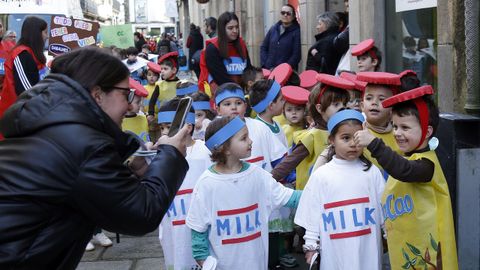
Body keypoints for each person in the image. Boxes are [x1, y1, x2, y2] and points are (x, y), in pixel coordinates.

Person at [0, 46, 191, 269]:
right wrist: (171, 154)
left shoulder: (58, 127)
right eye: (125, 93)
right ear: (98, 95)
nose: (130, 104)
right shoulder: (80, 143)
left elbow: (76, 183)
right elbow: (141, 213)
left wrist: (128, 169)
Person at [354, 85, 458, 269]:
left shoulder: (427, 164)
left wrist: (374, 143)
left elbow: (404, 170)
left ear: (427, 132)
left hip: (429, 252)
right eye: (394, 126)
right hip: (403, 247)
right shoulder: (405, 157)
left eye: (405, 127)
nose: (397, 133)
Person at [186, 116, 301, 269]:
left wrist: (319, 196)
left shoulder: (257, 175)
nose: (251, 141)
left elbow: (289, 197)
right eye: (244, 138)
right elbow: (198, 228)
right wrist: (204, 260)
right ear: (224, 148)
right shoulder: (206, 184)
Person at [295, 109, 385, 269]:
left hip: (367, 250)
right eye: (345, 138)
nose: (352, 144)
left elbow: (385, 210)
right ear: (331, 140)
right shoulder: (321, 175)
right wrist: (311, 245)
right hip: (335, 252)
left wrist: (389, 234)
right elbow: (312, 213)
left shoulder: (372, 172)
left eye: (357, 138)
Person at [271, 74, 352, 190]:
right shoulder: (312, 135)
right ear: (320, 108)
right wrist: (268, 180)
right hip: (313, 193)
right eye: (336, 104)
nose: (342, 108)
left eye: (344, 104)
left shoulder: (346, 131)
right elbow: (289, 162)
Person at [156, 98, 211, 270]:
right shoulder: (160, 154)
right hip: (174, 224)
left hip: (201, 225)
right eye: (162, 128)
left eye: (169, 126)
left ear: (188, 126)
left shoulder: (205, 152)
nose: (165, 133)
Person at [214, 82, 287, 172]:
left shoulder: (260, 127)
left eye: (238, 103)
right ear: (218, 110)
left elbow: (278, 158)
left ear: (245, 106)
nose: (233, 107)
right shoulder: (215, 134)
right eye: (227, 104)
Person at [0, 16, 49, 123]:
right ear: (36, 34)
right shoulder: (21, 54)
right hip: (16, 119)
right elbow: (28, 92)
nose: (47, 36)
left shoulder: (32, 54)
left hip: (28, 116)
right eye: (45, 32)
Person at [198, 12, 252, 94]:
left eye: (237, 27)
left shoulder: (241, 44)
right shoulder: (212, 48)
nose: (235, 31)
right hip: (221, 94)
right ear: (222, 29)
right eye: (230, 28)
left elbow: (248, 69)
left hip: (241, 92)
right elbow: (220, 77)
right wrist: (239, 91)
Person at [260, 4, 301, 71]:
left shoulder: (296, 31)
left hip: (286, 74)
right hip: (269, 71)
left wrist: (283, 69)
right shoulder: (273, 29)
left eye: (288, 13)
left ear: (293, 16)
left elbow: (296, 56)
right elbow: (264, 47)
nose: (285, 15)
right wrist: (265, 64)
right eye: (283, 13)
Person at [148, 52, 180, 121]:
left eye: (165, 69)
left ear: (174, 70)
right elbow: (152, 101)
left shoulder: (181, 84)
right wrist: (151, 113)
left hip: (177, 117)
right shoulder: (159, 85)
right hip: (163, 116)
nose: (162, 71)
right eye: (161, 69)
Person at [122, 78, 150, 142]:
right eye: (137, 102)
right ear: (127, 102)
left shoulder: (143, 117)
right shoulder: (119, 121)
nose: (141, 104)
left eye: (141, 101)